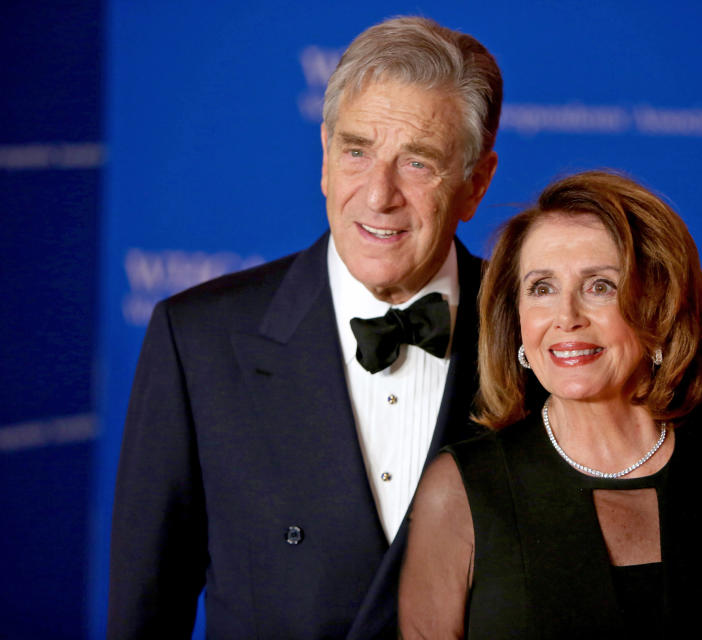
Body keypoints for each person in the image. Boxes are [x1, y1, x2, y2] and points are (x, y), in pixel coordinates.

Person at [108, 17, 500, 639]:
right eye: (356, 151)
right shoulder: (198, 341)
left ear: (475, 185)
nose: (379, 195)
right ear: (324, 157)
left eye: (418, 163)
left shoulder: (530, 338)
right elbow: (145, 611)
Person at [399, 171, 702, 638]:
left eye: (600, 286)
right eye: (542, 288)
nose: (566, 318)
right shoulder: (461, 487)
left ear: (660, 304)